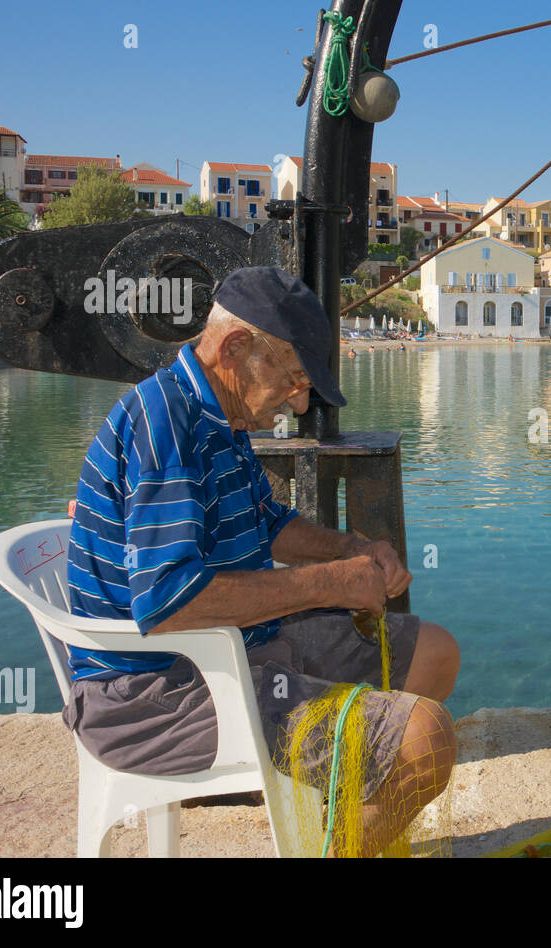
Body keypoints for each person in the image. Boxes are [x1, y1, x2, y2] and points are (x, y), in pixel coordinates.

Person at [64, 266, 459, 855]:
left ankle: (332, 826)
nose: (300, 402)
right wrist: (330, 584)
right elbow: (171, 603)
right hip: (157, 692)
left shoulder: (216, 419)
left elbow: (269, 524)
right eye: (295, 379)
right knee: (423, 741)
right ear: (237, 347)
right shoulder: (163, 424)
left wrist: (352, 551)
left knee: (435, 652)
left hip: (238, 649)